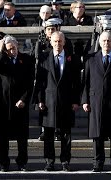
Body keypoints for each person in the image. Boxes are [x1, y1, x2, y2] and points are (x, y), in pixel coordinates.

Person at [82, 31, 111, 172]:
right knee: (97, 135)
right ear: (99, 42)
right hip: (96, 103)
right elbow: (85, 82)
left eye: (109, 41)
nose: (106, 43)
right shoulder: (91, 59)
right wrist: (85, 101)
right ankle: (98, 162)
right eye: (103, 41)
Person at [35, 31, 81, 171]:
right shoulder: (44, 58)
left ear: (64, 42)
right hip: (48, 102)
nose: (57, 44)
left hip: (66, 102)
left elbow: (76, 82)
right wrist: (40, 100)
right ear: (51, 42)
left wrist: (76, 101)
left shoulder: (72, 59)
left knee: (66, 135)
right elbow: (40, 82)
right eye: (55, 41)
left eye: (60, 41)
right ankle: (49, 161)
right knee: (48, 134)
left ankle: (65, 161)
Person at [0, 35, 35, 172]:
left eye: (13, 48)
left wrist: (24, 99)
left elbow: (30, 83)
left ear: (17, 46)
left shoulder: (26, 60)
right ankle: (4, 163)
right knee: (3, 138)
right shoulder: (1, 59)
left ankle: (22, 162)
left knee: (22, 138)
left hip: (20, 104)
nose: (11, 52)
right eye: (8, 49)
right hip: (4, 105)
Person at [32, 18, 73, 141]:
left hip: (63, 90)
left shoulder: (66, 43)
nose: (50, 31)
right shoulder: (41, 44)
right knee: (47, 116)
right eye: (48, 29)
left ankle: (58, 131)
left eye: (52, 29)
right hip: (48, 88)